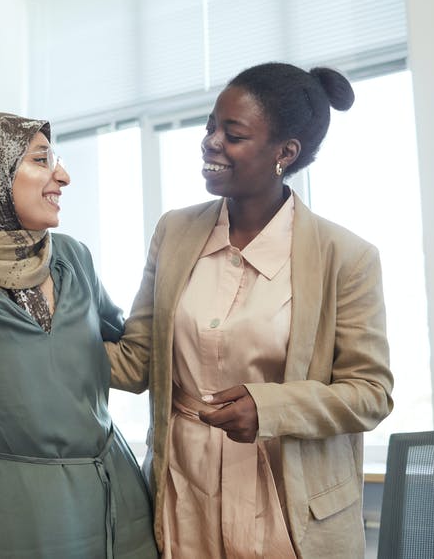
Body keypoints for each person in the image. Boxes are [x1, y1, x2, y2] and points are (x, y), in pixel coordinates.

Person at [106, 63, 395, 558]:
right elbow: (136, 362)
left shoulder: (345, 256)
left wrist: (269, 407)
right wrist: (35, 328)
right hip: (183, 491)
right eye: (210, 127)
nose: (211, 142)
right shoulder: (174, 233)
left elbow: (371, 392)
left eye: (232, 134)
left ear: (285, 153)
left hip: (286, 503)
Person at [0, 112, 158, 559]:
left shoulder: (74, 258)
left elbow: (130, 357)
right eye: (41, 160)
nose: (63, 175)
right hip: (18, 519)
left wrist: (169, 270)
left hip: (120, 507)